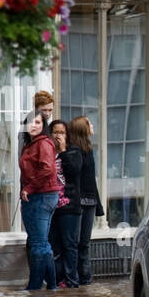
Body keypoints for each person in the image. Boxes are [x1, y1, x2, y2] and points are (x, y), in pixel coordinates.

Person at [19, 113, 60, 290]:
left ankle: (34, 288)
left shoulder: (43, 143)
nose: (33, 125)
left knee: (37, 244)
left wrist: (29, 188)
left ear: (44, 125)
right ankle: (52, 285)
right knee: (43, 243)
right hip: (42, 196)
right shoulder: (32, 144)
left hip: (41, 196)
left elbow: (47, 169)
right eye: (30, 122)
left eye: (37, 122)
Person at [49, 119, 83, 288]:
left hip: (69, 205)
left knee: (69, 244)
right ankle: (57, 279)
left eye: (62, 133)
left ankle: (71, 281)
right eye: (55, 132)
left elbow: (74, 172)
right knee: (54, 245)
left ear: (67, 135)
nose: (58, 136)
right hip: (50, 205)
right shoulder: (47, 152)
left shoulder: (74, 151)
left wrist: (62, 151)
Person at [72, 116, 104, 286]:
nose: (92, 125)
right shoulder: (75, 150)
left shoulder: (89, 149)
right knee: (77, 242)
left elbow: (91, 179)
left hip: (90, 200)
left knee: (84, 242)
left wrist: (98, 204)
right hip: (79, 201)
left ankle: (85, 279)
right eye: (89, 123)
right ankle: (78, 278)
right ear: (83, 129)